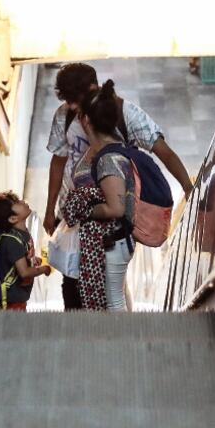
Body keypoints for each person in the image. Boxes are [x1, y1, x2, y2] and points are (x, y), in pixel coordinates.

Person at [43, 62, 193, 310]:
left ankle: (107, 330)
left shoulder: (126, 114)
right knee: (76, 279)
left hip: (112, 221)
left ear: (93, 87)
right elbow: (58, 161)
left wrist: (188, 187)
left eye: (74, 99)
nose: (70, 106)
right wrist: (50, 210)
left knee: (109, 284)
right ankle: (93, 328)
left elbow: (164, 152)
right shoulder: (65, 114)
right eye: (67, 100)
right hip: (75, 216)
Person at [74, 80, 138, 311]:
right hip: (105, 241)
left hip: (112, 240)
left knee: (114, 300)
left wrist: (84, 210)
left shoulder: (109, 157)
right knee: (115, 296)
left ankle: (122, 345)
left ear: (86, 120)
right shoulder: (106, 149)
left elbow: (116, 208)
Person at [0, 191, 52, 311]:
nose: (22, 201)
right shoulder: (12, 241)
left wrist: (33, 260)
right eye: (16, 203)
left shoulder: (21, 235)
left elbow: (18, 260)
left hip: (18, 301)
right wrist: (44, 269)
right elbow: (24, 272)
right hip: (12, 304)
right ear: (13, 218)